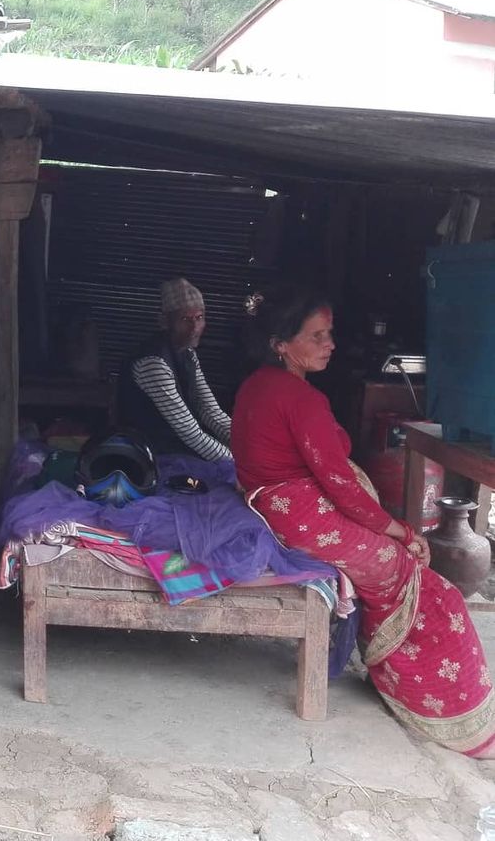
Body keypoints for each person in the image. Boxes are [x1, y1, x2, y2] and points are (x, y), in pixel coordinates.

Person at [232, 285, 495, 756]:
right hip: (296, 514)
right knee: (429, 589)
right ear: (281, 344)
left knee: (402, 571)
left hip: (271, 505)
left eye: (329, 334)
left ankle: (397, 675)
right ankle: (442, 709)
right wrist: (402, 530)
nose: (330, 343)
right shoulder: (299, 399)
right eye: (317, 336)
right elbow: (343, 490)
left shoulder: (257, 384)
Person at [116, 278, 232, 462]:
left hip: (176, 452)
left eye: (199, 317)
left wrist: (250, 446)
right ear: (164, 322)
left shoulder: (187, 354)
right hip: (148, 456)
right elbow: (190, 433)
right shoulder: (153, 362)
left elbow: (210, 411)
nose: (195, 327)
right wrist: (240, 463)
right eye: (185, 319)